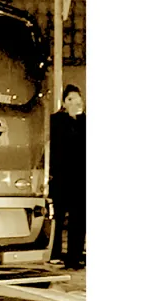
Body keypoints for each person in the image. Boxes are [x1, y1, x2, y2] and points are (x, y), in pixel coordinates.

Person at [50, 84, 86, 269]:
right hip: (62, 176)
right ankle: (54, 252)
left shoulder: (85, 122)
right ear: (64, 102)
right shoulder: (56, 121)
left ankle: (75, 255)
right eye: (70, 99)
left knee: (79, 218)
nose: (74, 103)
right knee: (58, 214)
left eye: (77, 99)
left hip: (81, 177)